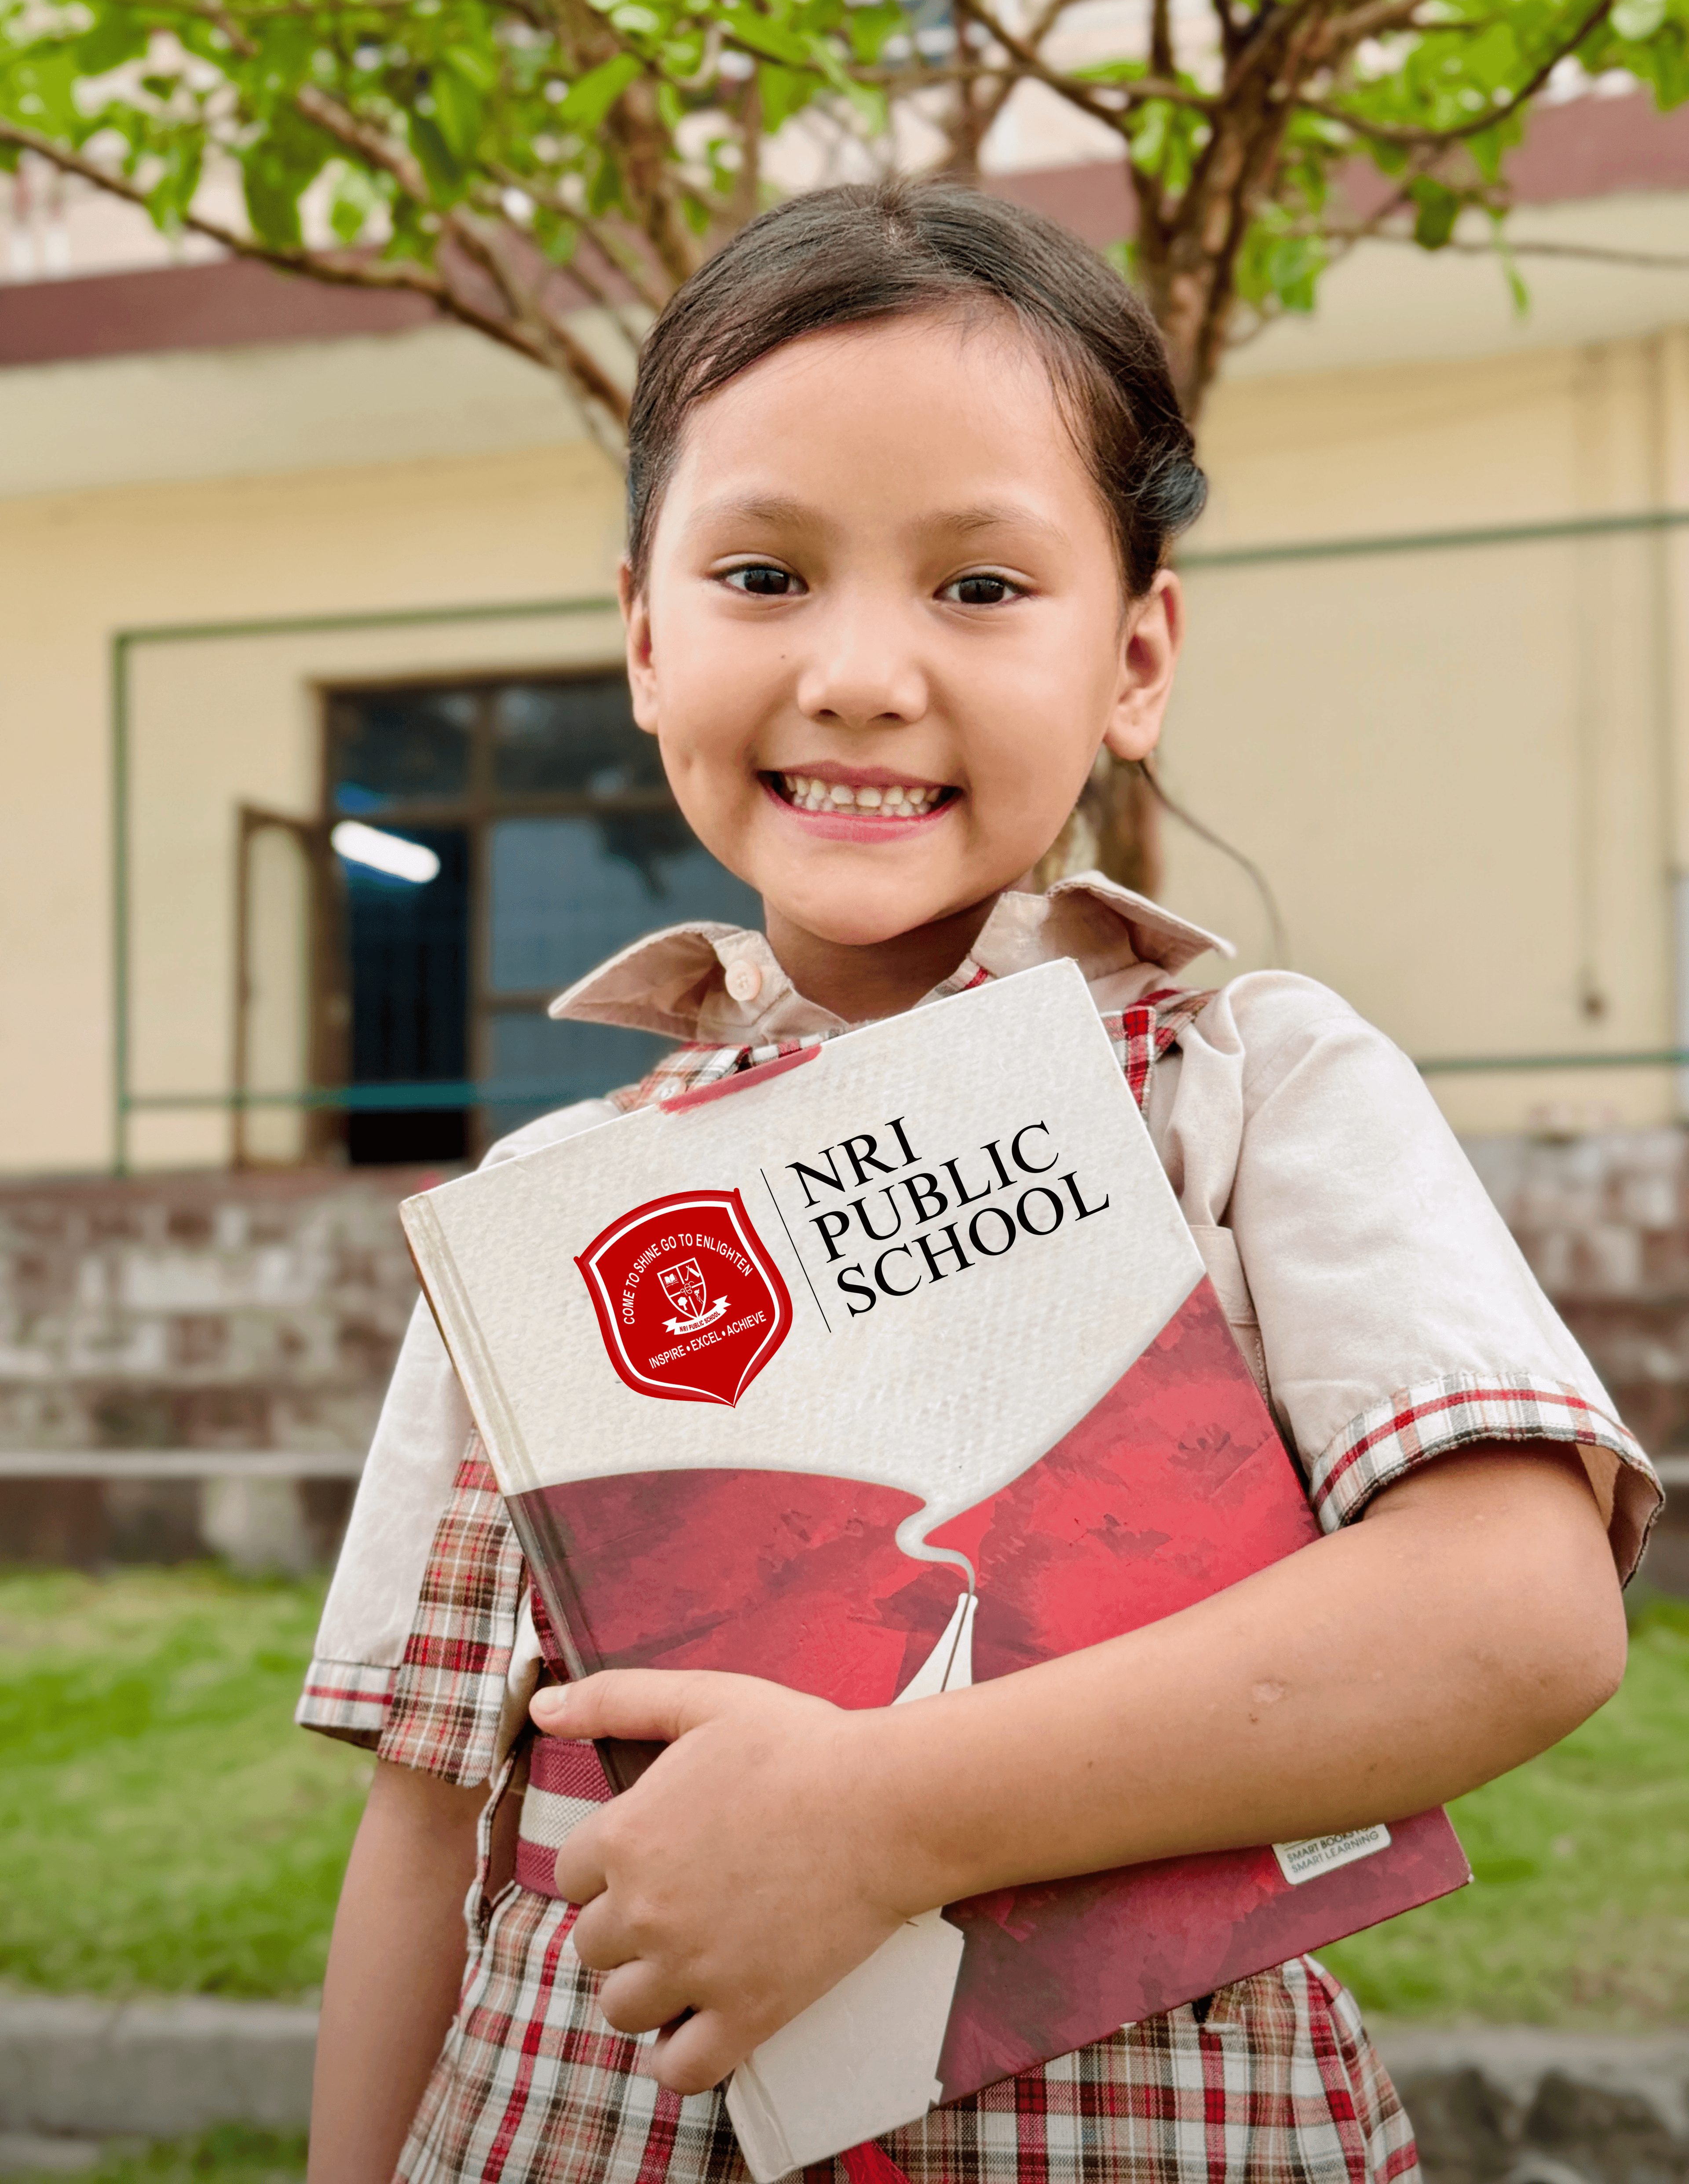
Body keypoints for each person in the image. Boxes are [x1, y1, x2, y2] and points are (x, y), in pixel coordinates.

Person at [298, 179, 1660, 2184]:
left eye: (980, 587)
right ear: (643, 640)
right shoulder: (547, 1210)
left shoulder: (1243, 1089)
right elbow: (430, 1819)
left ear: (1138, 655)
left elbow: (1521, 1608)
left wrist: (883, 1818)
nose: (859, 672)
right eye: (763, 575)